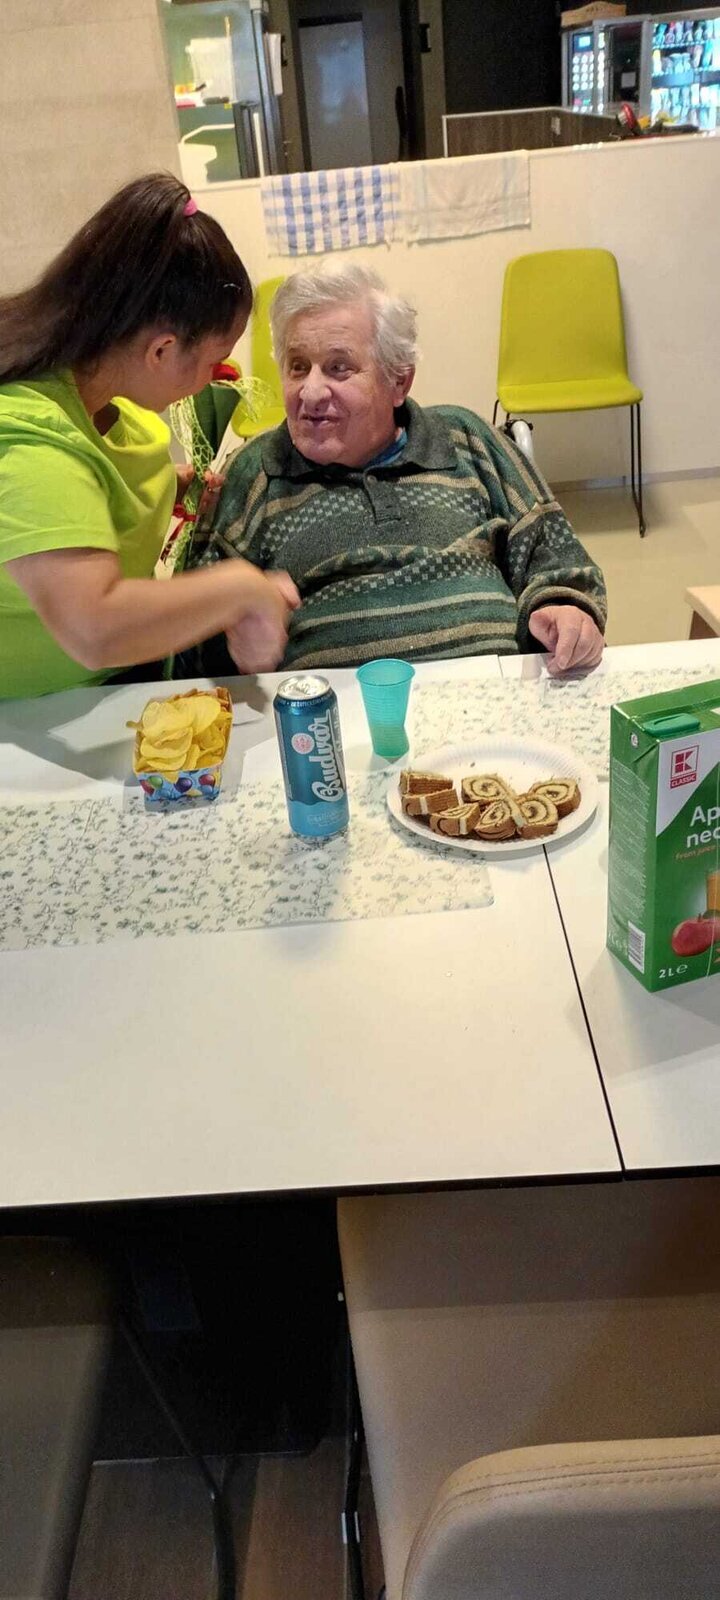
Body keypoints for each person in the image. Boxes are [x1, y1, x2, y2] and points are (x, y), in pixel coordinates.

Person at [185, 263, 606, 678]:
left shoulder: (466, 439)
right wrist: (235, 643)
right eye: (298, 366)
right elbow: (191, 648)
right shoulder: (254, 473)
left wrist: (563, 607)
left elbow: (556, 555)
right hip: (332, 716)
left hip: (493, 699)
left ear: (399, 382)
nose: (310, 392)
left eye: (338, 367)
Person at [0, 173, 299, 700]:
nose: (212, 380)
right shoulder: (29, 441)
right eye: (213, 362)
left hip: (109, 694)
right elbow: (95, 628)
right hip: (33, 718)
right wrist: (240, 590)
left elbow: (84, 491)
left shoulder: (103, 403)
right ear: (161, 350)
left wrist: (171, 484)